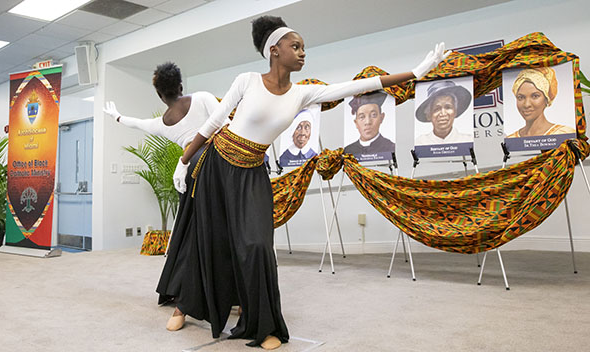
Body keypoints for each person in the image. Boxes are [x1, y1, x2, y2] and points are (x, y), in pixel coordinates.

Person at [171, 15, 450, 350]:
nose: (303, 53)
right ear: (274, 50)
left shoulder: (302, 94)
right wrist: (184, 159)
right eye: (296, 46)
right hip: (219, 164)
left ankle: (263, 325)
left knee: (258, 246)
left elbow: (356, 86)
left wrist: (415, 73)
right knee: (210, 240)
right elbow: (216, 121)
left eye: (304, 47)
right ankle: (184, 306)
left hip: (253, 172)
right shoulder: (246, 80)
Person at [102, 62, 231, 330]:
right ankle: (233, 298)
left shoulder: (162, 123)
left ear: (160, 95)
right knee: (227, 233)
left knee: (191, 238)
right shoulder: (204, 97)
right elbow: (226, 128)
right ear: (181, 86)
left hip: (193, 174)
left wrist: (116, 117)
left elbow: (136, 123)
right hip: (221, 171)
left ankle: (184, 306)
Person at [507, 67, 576, 137]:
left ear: (546, 99)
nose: (527, 104)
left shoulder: (564, 134)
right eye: (521, 97)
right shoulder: (511, 139)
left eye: (535, 96)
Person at [344, 90, 395, 157]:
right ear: (356, 123)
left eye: (373, 115)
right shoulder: (348, 151)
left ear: (381, 118)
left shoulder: (390, 147)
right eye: (362, 117)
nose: (368, 122)